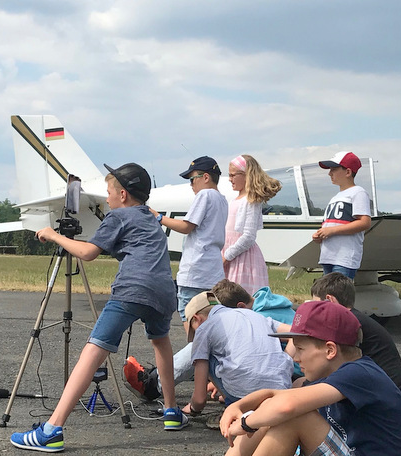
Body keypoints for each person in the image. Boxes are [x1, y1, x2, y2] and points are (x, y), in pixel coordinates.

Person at [10, 163, 185, 453]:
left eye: (109, 193)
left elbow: (88, 253)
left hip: (132, 288)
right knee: (161, 342)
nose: (107, 199)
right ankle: (171, 412)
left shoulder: (118, 216)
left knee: (94, 350)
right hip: (165, 291)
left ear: (124, 195)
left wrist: (54, 236)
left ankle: (52, 430)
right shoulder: (151, 219)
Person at [220, 300, 401, 456]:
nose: (295, 357)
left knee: (293, 417)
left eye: (301, 348)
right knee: (273, 409)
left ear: (330, 350)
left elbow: (286, 406)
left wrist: (246, 423)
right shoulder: (334, 376)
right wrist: (236, 407)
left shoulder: (360, 372)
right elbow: (272, 395)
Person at [124, 279, 298, 402]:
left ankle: (154, 383)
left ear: (239, 308)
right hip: (285, 375)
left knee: (201, 347)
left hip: (290, 373)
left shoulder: (252, 316)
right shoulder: (271, 307)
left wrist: (286, 360)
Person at [179, 291, 292, 418]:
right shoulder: (253, 315)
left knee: (204, 354)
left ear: (196, 318)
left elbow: (200, 399)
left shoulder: (204, 328)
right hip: (281, 388)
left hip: (243, 393)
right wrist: (286, 358)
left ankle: (233, 406)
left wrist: (194, 408)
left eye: (193, 329)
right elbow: (295, 333)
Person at [310, 272, 401, 404]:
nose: (314, 310)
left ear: (330, 300)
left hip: (384, 395)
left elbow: (328, 359)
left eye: (316, 305)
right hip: (389, 389)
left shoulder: (347, 323)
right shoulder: (355, 317)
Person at [150, 156, 227, 325]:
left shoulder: (204, 195)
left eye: (192, 180)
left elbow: (186, 226)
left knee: (191, 321)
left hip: (195, 271)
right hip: (213, 272)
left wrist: (158, 217)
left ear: (206, 177)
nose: (191, 185)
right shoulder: (222, 200)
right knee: (211, 323)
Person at [223, 155, 281, 294]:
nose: (230, 179)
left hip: (242, 258)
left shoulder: (251, 201)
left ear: (246, 175)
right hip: (229, 255)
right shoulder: (233, 200)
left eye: (232, 175)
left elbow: (249, 236)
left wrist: (227, 256)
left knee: (240, 297)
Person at [312, 151, 372, 279]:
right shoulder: (335, 198)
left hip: (344, 257)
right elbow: (331, 224)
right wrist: (320, 235)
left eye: (334, 169)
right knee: (327, 294)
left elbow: (364, 222)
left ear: (348, 172)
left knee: (338, 295)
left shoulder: (358, 192)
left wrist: (332, 230)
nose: (329, 173)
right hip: (328, 256)